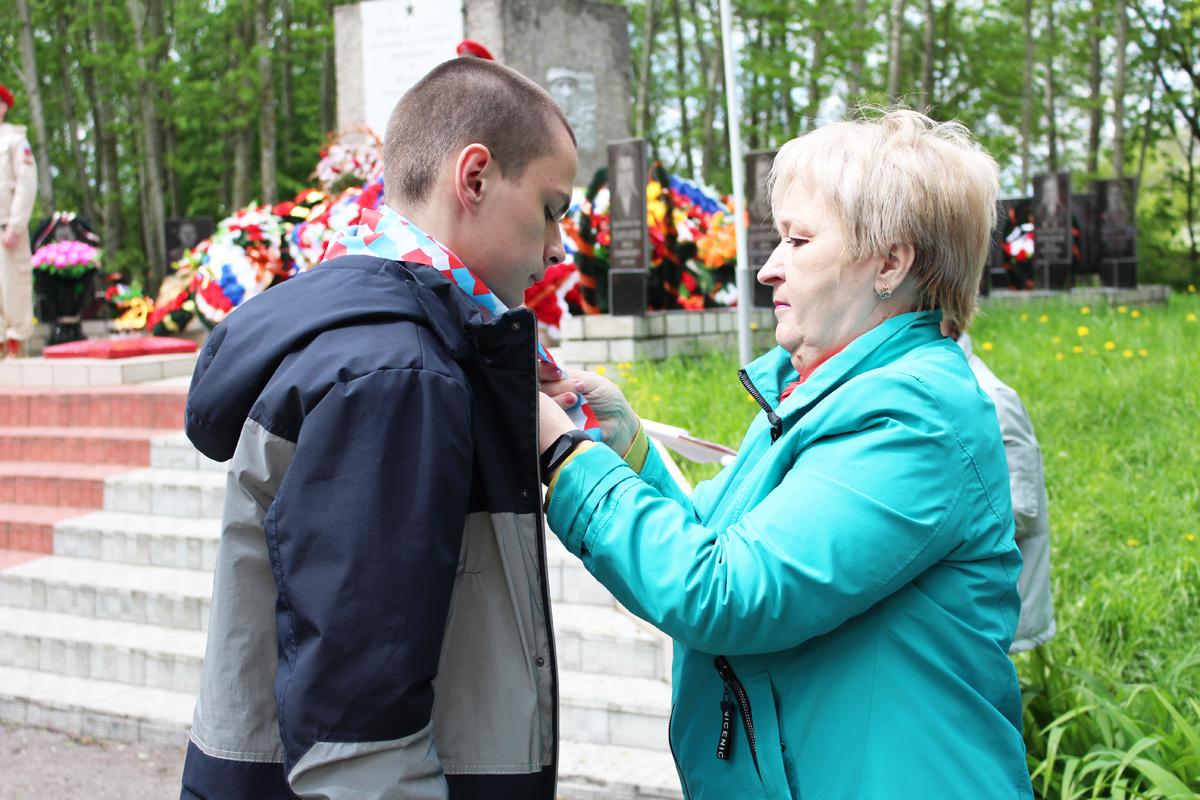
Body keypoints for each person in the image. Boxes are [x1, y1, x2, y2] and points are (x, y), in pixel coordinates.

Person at [538, 110, 1034, 799]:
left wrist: (564, 456)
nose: (769, 268)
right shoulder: (817, 394)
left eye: (799, 241)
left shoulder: (913, 419)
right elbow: (712, 541)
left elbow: (724, 592)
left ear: (890, 262)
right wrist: (621, 444)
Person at [180, 58, 578, 800]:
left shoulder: (377, 339)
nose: (560, 248)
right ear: (477, 178)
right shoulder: (399, 375)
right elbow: (357, 738)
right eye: (553, 208)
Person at [949, 323, 1056, 652]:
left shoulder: (990, 396)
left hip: (993, 608)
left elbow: (1019, 509)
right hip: (965, 605)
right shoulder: (945, 383)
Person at [0, 83, 36, 359]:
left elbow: (26, 184)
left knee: (14, 287)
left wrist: (15, 226)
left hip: (7, 229)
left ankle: (16, 346)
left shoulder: (14, 140)